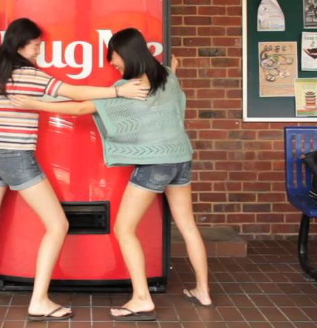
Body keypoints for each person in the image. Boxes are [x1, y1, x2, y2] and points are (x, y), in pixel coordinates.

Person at [0, 18, 148, 322]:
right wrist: (119, 93)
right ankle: (40, 301)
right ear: (21, 45)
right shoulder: (29, 76)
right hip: (17, 158)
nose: (40, 50)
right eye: (36, 45)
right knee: (58, 225)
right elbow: (74, 92)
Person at [12, 28, 212, 322]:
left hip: (155, 163)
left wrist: (34, 105)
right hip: (181, 158)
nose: (112, 63)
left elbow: (81, 108)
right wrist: (174, 66)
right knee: (188, 226)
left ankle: (142, 298)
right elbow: (172, 72)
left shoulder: (132, 87)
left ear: (127, 53)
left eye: (114, 57)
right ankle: (203, 291)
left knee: (123, 229)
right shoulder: (168, 75)